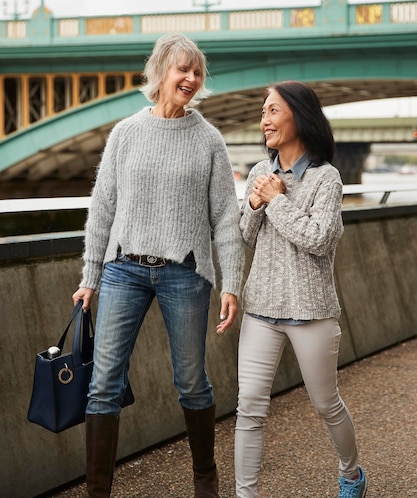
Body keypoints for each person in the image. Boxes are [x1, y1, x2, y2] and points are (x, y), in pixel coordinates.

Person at [72, 32, 244, 498]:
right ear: (161, 73)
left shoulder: (208, 139)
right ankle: (97, 491)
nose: (190, 78)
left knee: (190, 382)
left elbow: (226, 219)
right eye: (181, 69)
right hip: (123, 270)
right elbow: (102, 208)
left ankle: (205, 476)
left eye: (196, 71)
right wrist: (91, 277)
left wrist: (232, 283)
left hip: (185, 274)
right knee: (103, 383)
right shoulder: (125, 133)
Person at [235, 81, 367, 498]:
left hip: (311, 310)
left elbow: (319, 239)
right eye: (263, 112)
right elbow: (245, 235)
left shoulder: (327, 178)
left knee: (327, 404)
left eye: (273, 110)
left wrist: (276, 201)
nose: (264, 120)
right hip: (261, 309)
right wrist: (255, 206)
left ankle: (351, 475)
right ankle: (245, 494)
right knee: (250, 409)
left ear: (299, 114)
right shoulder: (259, 172)